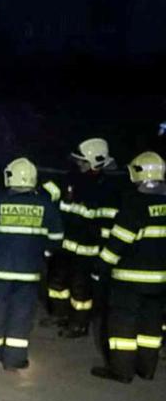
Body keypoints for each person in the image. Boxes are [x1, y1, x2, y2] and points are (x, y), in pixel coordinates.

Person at [0, 158, 64, 371]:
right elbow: (57, 238)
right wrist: (44, 255)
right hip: (29, 271)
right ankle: (14, 359)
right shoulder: (46, 206)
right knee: (22, 313)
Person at [92, 151, 166, 383]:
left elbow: (117, 243)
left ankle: (121, 371)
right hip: (160, 282)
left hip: (128, 281)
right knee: (150, 326)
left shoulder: (135, 205)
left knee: (122, 325)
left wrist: (99, 268)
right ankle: (147, 369)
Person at [47, 138, 119, 338]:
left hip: (88, 250)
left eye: (83, 161)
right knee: (57, 283)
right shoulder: (73, 178)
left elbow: (107, 224)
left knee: (81, 290)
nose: (79, 164)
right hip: (65, 245)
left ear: (96, 162)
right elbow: (55, 195)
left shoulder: (106, 189)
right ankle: (59, 315)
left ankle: (79, 325)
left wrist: (103, 253)